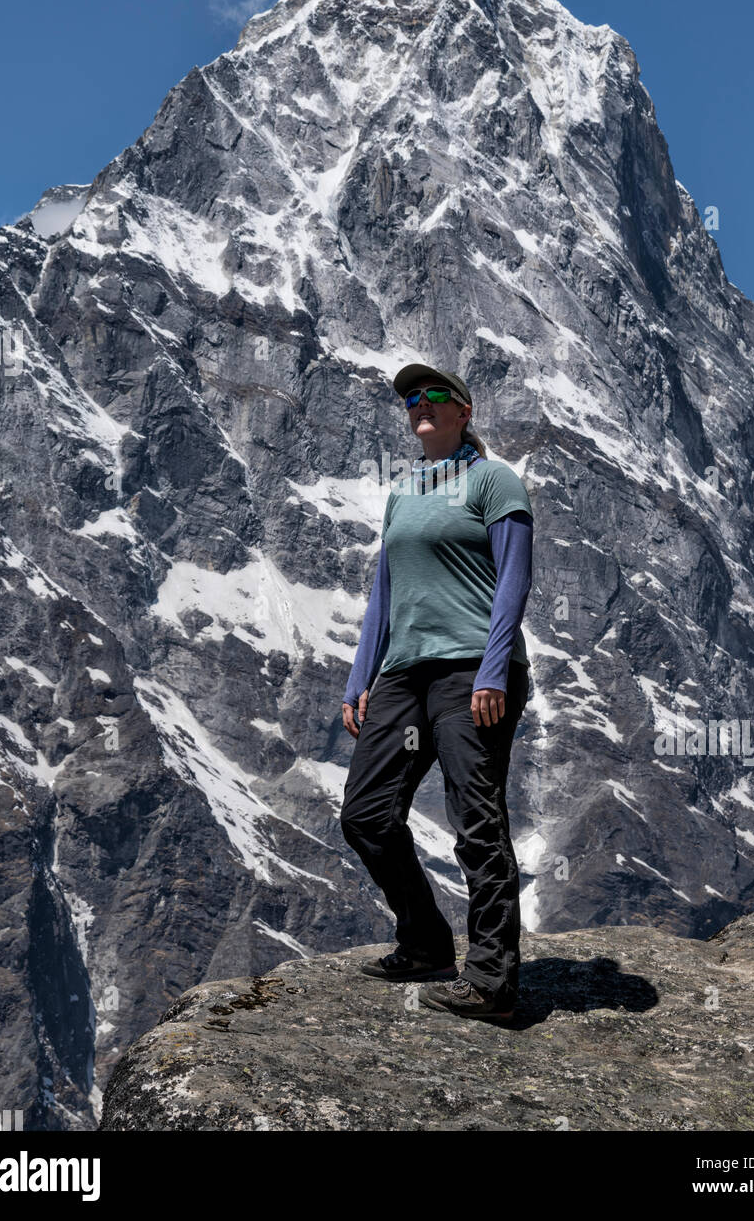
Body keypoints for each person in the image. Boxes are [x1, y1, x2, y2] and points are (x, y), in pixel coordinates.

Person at [340, 362, 533, 1022]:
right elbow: (384, 593)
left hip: (469, 672)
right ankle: (425, 942)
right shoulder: (403, 492)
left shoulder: (493, 480)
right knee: (365, 815)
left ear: (463, 411)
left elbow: (513, 579)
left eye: (432, 396)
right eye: (409, 399)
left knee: (476, 822)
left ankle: (492, 982)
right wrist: (359, 676)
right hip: (401, 673)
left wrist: (493, 671)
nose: (418, 405)